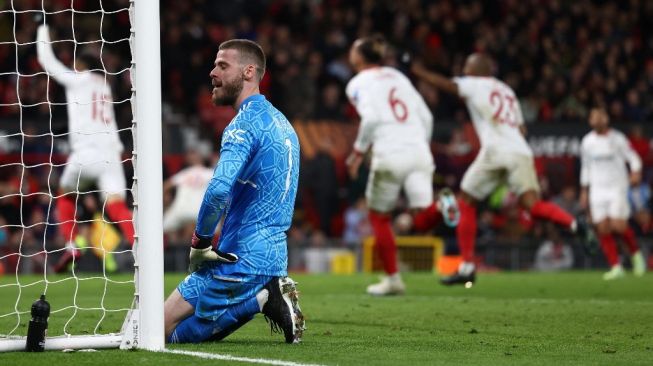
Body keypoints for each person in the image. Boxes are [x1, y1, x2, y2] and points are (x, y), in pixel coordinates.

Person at [163, 39, 305, 344]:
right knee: (156, 323)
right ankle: (265, 295)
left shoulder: (243, 126)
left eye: (223, 66)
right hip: (271, 253)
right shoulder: (283, 124)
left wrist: (200, 241)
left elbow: (217, 191)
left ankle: (263, 298)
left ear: (249, 72)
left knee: (161, 335)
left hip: (239, 256)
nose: (213, 72)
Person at [412, 53, 594, 286]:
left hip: (495, 150)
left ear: (476, 70)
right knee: (533, 205)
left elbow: (448, 85)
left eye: (467, 67)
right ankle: (575, 223)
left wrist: (420, 72)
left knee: (466, 201)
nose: (464, 71)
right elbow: (522, 130)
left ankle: (467, 267)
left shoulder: (474, 83)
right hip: (520, 151)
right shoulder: (507, 91)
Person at [345, 35, 459, 296]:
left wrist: (357, 153)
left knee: (379, 216)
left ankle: (393, 278)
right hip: (419, 151)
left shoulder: (357, 83)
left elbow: (372, 118)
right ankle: (442, 206)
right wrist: (419, 143)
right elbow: (427, 116)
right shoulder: (399, 77)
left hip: (390, 153)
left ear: (360, 58)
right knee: (422, 217)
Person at [36, 25, 134, 273]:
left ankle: (72, 244)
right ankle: (138, 247)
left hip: (86, 153)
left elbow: (46, 60)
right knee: (115, 205)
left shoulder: (78, 79)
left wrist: (43, 27)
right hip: (111, 154)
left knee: (65, 194)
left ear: (80, 65)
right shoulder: (105, 86)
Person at [579, 107, 646, 280]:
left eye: (600, 116)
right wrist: (584, 191)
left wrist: (636, 171)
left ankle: (636, 255)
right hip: (597, 189)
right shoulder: (587, 142)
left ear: (606, 119)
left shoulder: (617, 139)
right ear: (590, 121)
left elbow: (633, 157)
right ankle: (616, 266)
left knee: (618, 225)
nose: (596, 120)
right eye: (593, 117)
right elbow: (586, 167)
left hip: (617, 186)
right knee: (602, 228)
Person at [163, 149, 214, 242]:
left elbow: (166, 186)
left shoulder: (186, 173)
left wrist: (166, 200)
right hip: (198, 211)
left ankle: (177, 251)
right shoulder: (211, 173)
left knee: (169, 230)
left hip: (183, 210)